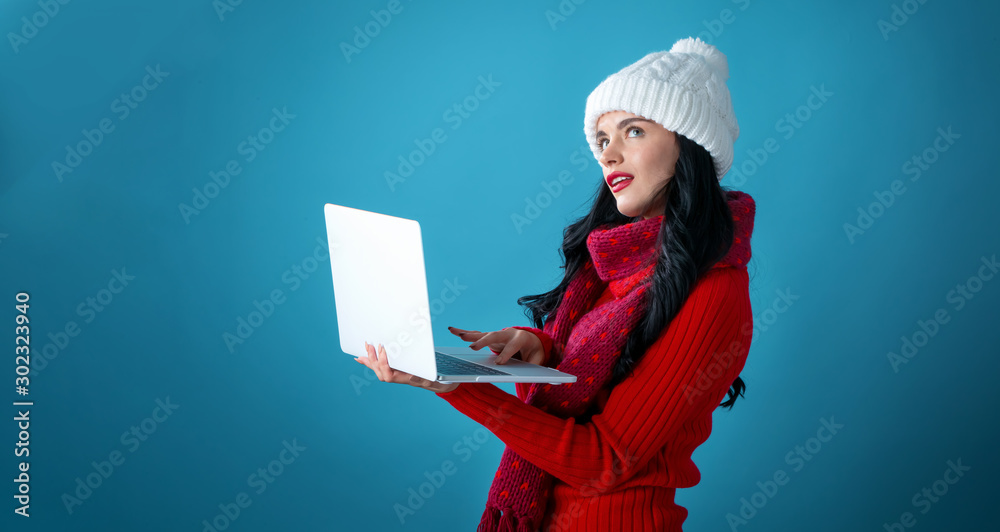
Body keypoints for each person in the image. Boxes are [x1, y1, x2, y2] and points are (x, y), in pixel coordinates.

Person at [356, 36, 756, 532]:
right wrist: (541, 348)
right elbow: (603, 366)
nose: (609, 155)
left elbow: (606, 459)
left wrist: (455, 385)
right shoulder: (611, 263)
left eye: (633, 131)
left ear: (689, 146)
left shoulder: (715, 292)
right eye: (603, 139)